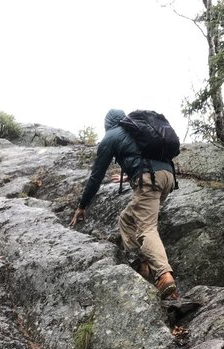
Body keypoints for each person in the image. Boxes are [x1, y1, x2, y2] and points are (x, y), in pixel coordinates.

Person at [70, 108, 178, 300]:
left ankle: (164, 275)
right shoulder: (137, 129)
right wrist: (131, 174)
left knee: (147, 228)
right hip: (168, 177)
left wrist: (82, 206)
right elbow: (144, 156)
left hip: (151, 180)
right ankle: (143, 265)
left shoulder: (111, 136)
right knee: (127, 220)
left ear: (107, 124)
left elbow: (96, 176)